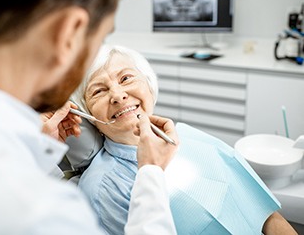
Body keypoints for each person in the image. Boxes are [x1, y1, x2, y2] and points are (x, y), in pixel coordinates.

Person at [0, 0, 179, 234]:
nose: (118, 94)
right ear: (69, 32)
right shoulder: (44, 213)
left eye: (126, 78)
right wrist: (150, 174)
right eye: (101, 39)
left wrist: (35, 152)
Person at [70, 44, 298, 235]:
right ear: (88, 114)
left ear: (149, 85)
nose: (118, 95)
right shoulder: (104, 189)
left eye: (126, 78)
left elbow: (265, 213)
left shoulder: (192, 138)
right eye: (98, 91)